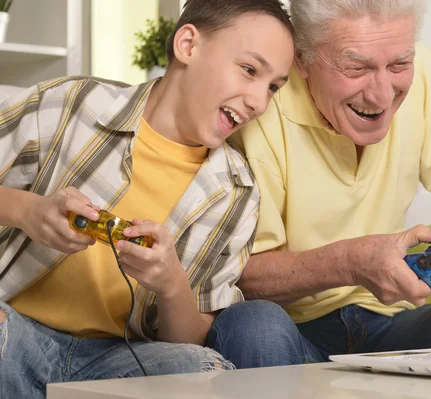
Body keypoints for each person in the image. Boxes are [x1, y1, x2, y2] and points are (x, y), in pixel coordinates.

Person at [0, 0, 294, 396]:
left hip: (120, 358)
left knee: (199, 366)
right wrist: (28, 211)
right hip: (15, 331)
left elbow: (189, 340)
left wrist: (172, 285)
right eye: (249, 70)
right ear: (188, 45)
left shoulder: (236, 192)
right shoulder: (73, 105)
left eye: (273, 87)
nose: (259, 101)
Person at [208, 0, 431, 368]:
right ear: (302, 59)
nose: (383, 96)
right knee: (253, 324)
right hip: (296, 327)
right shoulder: (258, 106)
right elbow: (239, 275)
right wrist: (350, 263)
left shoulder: (430, 74)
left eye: (400, 64)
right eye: (356, 67)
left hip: (393, 323)